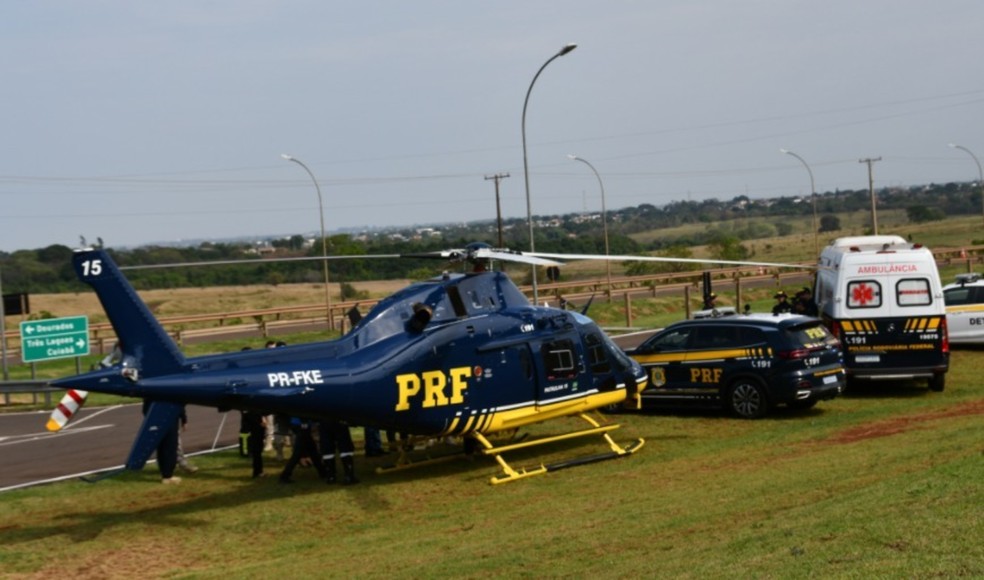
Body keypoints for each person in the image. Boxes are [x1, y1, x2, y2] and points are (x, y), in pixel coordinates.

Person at [142, 400, 181, 484]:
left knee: (164, 445)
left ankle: (167, 474)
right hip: (166, 411)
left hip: (158, 411)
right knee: (168, 445)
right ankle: (167, 475)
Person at [279, 416, 328, 484]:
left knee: (312, 451)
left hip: (301, 424)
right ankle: (284, 476)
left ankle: (323, 472)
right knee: (298, 453)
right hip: (302, 424)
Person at [320, 419, 359, 484]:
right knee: (345, 445)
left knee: (327, 447)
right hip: (339, 420)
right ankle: (349, 476)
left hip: (324, 420)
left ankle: (330, 476)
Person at [241, 410, 267, 478]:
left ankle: (258, 471)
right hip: (255, 426)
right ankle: (258, 472)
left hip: (252, 425)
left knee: (257, 451)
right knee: (257, 450)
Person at [176, 405, 198, 474]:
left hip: (173, 423)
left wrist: (184, 420)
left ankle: (183, 464)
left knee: (176, 445)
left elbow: (180, 406)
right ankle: (166, 468)